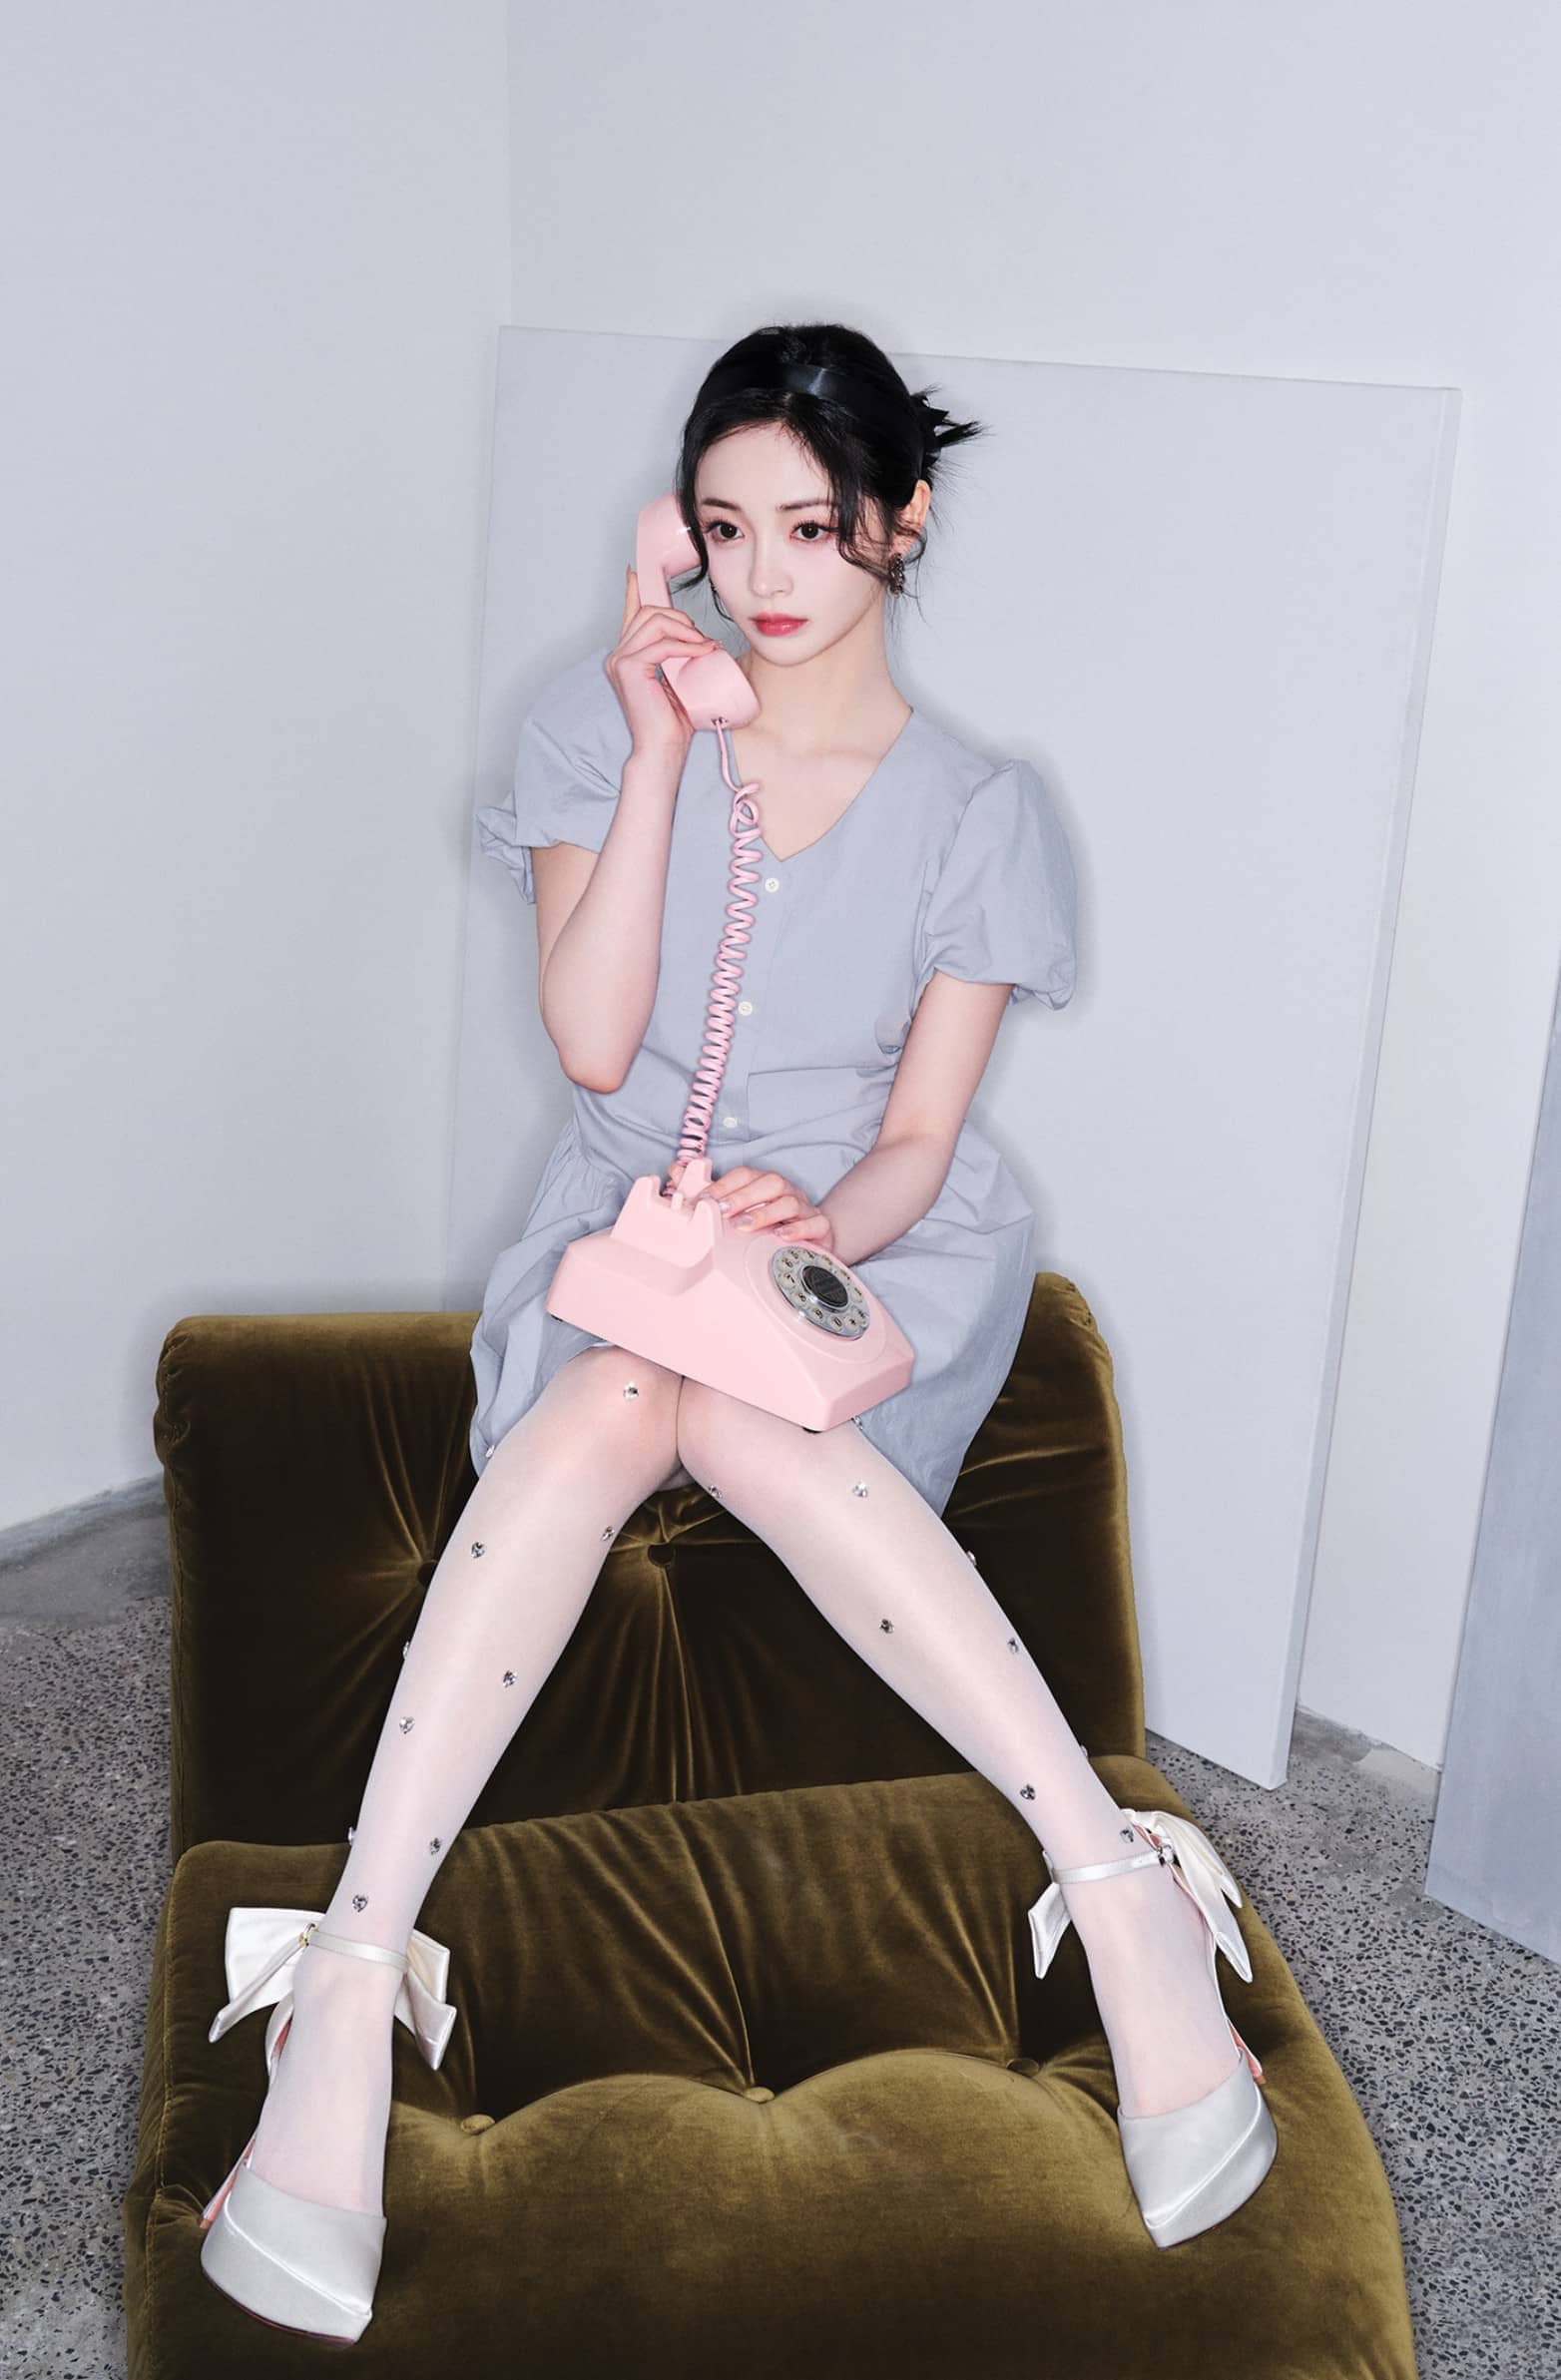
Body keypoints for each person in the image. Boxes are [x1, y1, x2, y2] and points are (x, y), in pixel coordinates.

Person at [197, 322, 1275, 2340]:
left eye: (810, 525)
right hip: (628, 1220)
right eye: (723, 526)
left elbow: (920, 1138)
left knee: (751, 1404)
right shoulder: (597, 724)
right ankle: (349, 1977)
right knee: (638, 1376)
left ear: (902, 521)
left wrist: (813, 1228)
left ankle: (1115, 1891)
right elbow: (599, 1046)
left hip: (858, 1237)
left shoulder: (977, 809)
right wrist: (657, 743)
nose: (762, 575)